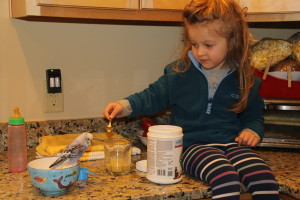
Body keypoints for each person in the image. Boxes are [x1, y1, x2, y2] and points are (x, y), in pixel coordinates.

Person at [103, 0, 280, 199]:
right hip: (193, 147)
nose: (199, 52)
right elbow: (153, 96)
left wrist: (251, 130)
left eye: (208, 45)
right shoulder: (179, 73)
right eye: (194, 44)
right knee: (226, 177)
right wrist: (123, 105)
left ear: (233, 41)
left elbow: (253, 114)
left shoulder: (246, 79)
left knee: (263, 176)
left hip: (233, 145)